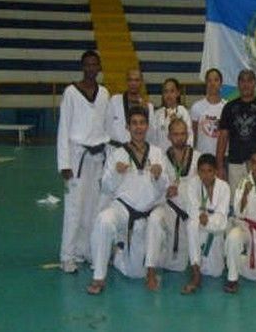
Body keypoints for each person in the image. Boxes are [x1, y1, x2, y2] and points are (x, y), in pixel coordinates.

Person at [86, 107, 168, 294]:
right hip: (123, 209)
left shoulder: (157, 153)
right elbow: (106, 187)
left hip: (148, 212)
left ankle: (122, 255)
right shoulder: (117, 154)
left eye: (142, 123)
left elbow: (164, 187)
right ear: (127, 127)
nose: (138, 127)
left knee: (134, 273)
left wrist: (158, 176)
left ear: (147, 126)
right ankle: (99, 277)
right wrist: (116, 172)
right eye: (134, 123)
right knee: (104, 220)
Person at [57, 50, 110, 273]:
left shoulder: (104, 93)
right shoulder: (71, 92)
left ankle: (86, 250)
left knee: (93, 208)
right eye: (87, 64)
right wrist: (64, 164)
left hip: (98, 157)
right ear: (82, 67)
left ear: (99, 67)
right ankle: (67, 256)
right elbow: (63, 128)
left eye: (94, 64)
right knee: (74, 209)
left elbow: (106, 127)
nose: (91, 68)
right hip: (77, 157)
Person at [145, 119, 201, 290]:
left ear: (188, 135)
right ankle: (150, 271)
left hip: (188, 212)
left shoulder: (198, 157)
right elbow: (155, 187)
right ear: (169, 136)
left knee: (178, 265)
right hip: (168, 208)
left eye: (182, 134)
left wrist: (182, 189)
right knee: (154, 218)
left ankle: (196, 272)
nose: (179, 137)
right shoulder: (161, 158)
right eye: (175, 134)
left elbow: (202, 187)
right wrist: (164, 190)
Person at [216, 69, 256, 201]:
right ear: (238, 84)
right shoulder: (229, 108)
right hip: (235, 163)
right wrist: (220, 166)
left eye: (249, 80)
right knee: (237, 202)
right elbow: (223, 138)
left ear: (255, 83)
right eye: (242, 81)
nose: (246, 84)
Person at [224, 148, 256, 293]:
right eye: (254, 163)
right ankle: (232, 278)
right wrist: (245, 195)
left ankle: (234, 259)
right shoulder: (243, 183)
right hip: (245, 227)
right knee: (233, 237)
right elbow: (237, 212)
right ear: (250, 164)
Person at [181, 154, 230, 294]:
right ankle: (195, 272)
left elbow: (222, 217)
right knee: (191, 225)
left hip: (215, 231)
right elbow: (192, 209)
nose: (206, 175)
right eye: (202, 171)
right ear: (197, 171)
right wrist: (200, 217)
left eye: (209, 171)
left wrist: (208, 220)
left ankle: (221, 258)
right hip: (198, 228)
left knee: (215, 272)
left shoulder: (224, 187)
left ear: (216, 171)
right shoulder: (193, 184)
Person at [106, 68, 157, 148]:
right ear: (126, 82)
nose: (133, 83)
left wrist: (147, 113)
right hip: (115, 148)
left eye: (136, 80)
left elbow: (151, 135)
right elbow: (106, 126)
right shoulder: (115, 100)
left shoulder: (148, 106)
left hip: (137, 150)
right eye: (130, 80)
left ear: (141, 82)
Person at [190, 67, 226, 155]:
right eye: (209, 80)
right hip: (202, 155)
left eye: (216, 80)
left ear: (221, 83)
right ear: (206, 83)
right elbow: (193, 135)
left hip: (223, 156)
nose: (212, 83)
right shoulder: (196, 107)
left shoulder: (227, 107)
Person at [154, 78, 193, 151]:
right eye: (166, 91)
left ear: (178, 93)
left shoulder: (183, 112)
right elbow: (153, 138)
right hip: (160, 154)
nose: (169, 95)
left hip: (178, 154)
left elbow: (189, 137)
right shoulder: (157, 114)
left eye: (172, 91)